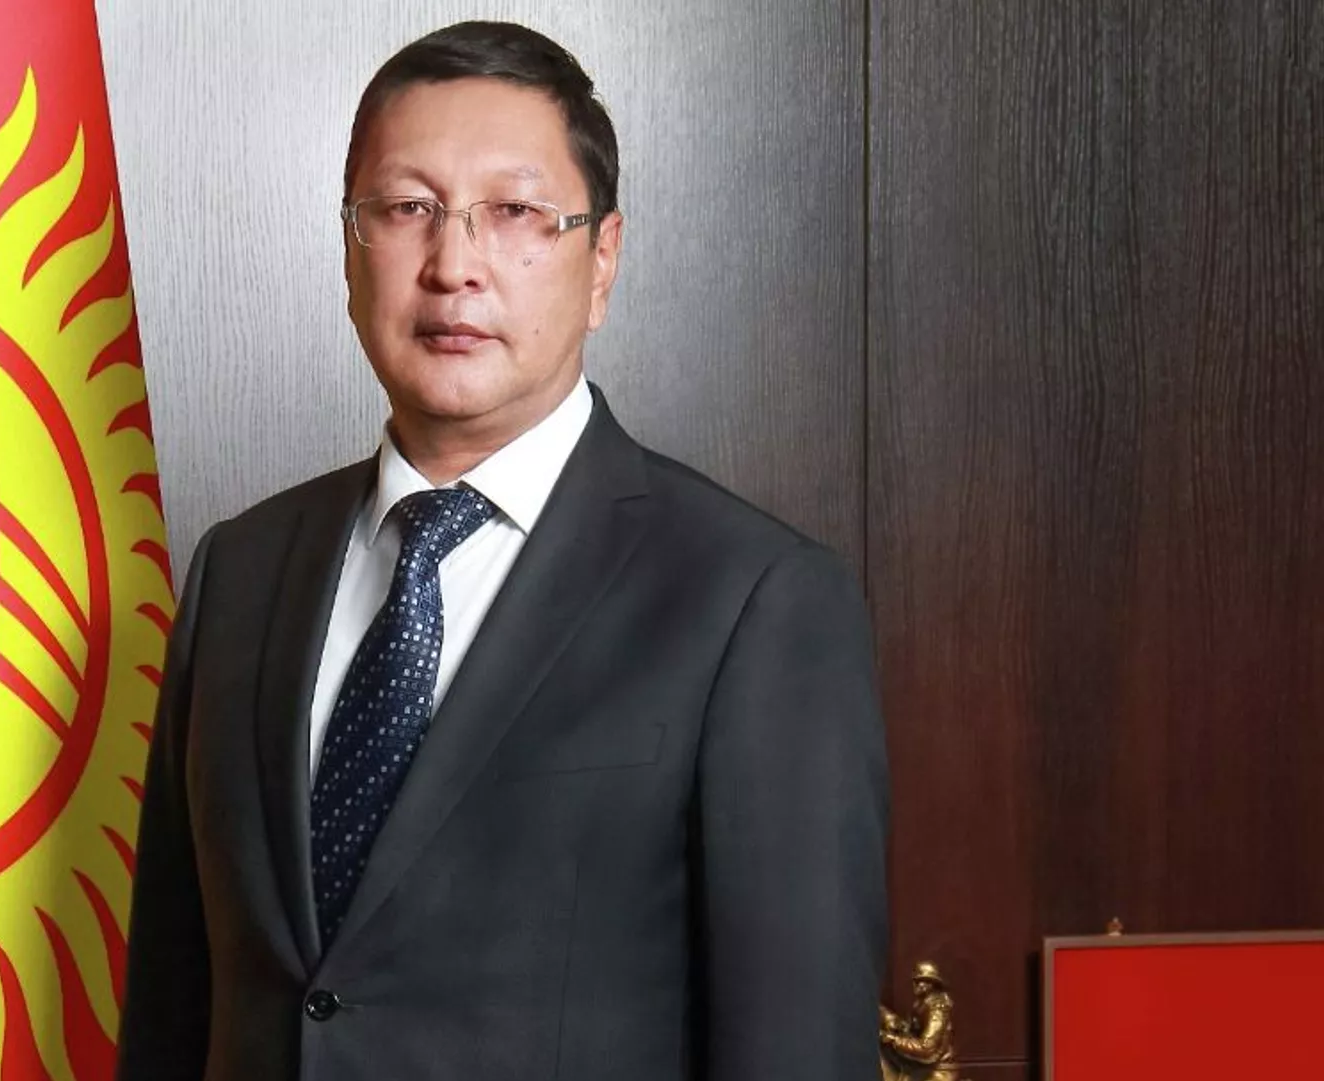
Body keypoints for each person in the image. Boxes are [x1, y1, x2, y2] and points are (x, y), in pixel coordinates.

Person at [116, 20, 888, 1081]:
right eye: (407, 209)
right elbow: (174, 1008)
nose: (454, 266)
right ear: (350, 247)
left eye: (516, 213)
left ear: (602, 258)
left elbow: (796, 1051)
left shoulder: (752, 598)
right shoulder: (239, 571)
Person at [880, 962, 959, 1081]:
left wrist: (893, 1040)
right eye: (917, 981)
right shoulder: (921, 1004)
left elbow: (927, 1047)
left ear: (934, 985)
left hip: (938, 1070)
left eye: (926, 981)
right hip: (922, 1066)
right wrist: (889, 1018)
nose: (920, 985)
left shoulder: (937, 1009)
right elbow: (911, 1032)